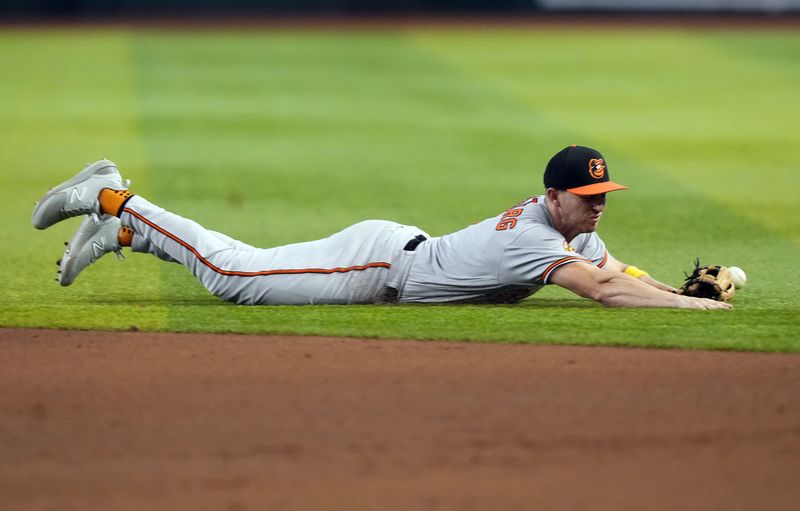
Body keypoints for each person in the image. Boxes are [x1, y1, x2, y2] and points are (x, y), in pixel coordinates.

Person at [32, 145, 731, 310]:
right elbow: (605, 293)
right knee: (235, 276)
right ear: (556, 195)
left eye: (602, 194)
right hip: (376, 263)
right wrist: (698, 310)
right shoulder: (537, 237)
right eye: (589, 195)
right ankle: (116, 199)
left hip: (395, 253)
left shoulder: (568, 228)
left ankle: (129, 234)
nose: (599, 205)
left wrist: (675, 289)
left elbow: (619, 272)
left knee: (238, 268)